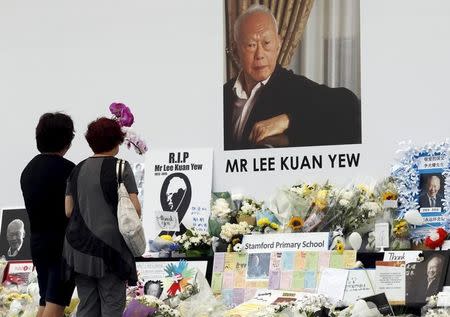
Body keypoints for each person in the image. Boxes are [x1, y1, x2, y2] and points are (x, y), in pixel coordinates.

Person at [224, 4, 361, 150]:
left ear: (278, 45)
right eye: (251, 45)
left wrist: (288, 120)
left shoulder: (295, 88)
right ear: (235, 50)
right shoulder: (223, 94)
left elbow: (350, 107)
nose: (259, 55)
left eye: (267, 43)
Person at [63, 117, 141, 317]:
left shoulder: (76, 169)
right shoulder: (121, 167)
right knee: (112, 305)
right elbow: (134, 209)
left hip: (78, 250)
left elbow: (68, 211)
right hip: (111, 249)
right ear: (117, 140)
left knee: (87, 306)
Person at [20, 112, 75, 317]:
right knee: (56, 304)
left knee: (45, 301)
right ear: (67, 140)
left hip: (38, 243)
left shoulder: (29, 170)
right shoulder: (69, 170)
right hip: (62, 246)